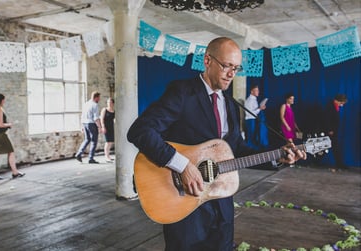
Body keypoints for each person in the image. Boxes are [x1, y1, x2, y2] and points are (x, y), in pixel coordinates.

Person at [127, 37, 306, 251]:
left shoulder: (230, 105)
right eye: (227, 66)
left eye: (236, 68)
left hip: (221, 203)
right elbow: (140, 131)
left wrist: (277, 156)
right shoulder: (182, 92)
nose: (232, 73)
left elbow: (237, 151)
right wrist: (182, 166)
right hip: (184, 201)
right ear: (207, 60)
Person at [0, 93, 25, 181]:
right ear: (0, 100)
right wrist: (9, 124)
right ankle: (15, 172)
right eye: (3, 99)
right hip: (1, 135)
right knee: (11, 152)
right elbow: (1, 124)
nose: (4, 101)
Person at [75, 91, 102, 164]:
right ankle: (91, 158)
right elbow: (96, 118)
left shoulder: (86, 104)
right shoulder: (95, 105)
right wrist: (100, 127)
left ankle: (79, 154)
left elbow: (82, 115)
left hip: (85, 123)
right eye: (99, 97)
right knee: (94, 141)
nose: (99, 99)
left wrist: (82, 126)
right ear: (96, 97)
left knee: (87, 139)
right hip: (92, 124)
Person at [323, 94, 347, 170]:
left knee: (333, 147)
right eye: (341, 103)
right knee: (331, 147)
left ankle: (339, 163)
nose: (342, 105)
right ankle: (339, 164)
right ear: (337, 100)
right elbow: (327, 119)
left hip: (334, 131)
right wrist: (329, 129)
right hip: (330, 131)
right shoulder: (330, 106)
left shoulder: (335, 106)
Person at [244, 84, 266, 149]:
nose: (258, 92)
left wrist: (260, 108)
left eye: (258, 90)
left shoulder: (254, 99)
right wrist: (260, 109)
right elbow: (250, 113)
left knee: (254, 136)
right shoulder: (249, 100)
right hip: (250, 120)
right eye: (256, 90)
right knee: (251, 137)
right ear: (252, 91)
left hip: (254, 120)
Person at [100, 97, 115, 162]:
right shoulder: (104, 110)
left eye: (110, 102)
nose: (109, 104)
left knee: (111, 142)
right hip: (106, 127)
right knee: (108, 142)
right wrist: (103, 127)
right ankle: (106, 156)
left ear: (113, 103)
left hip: (111, 127)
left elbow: (114, 120)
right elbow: (101, 119)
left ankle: (108, 156)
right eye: (108, 102)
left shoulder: (114, 111)